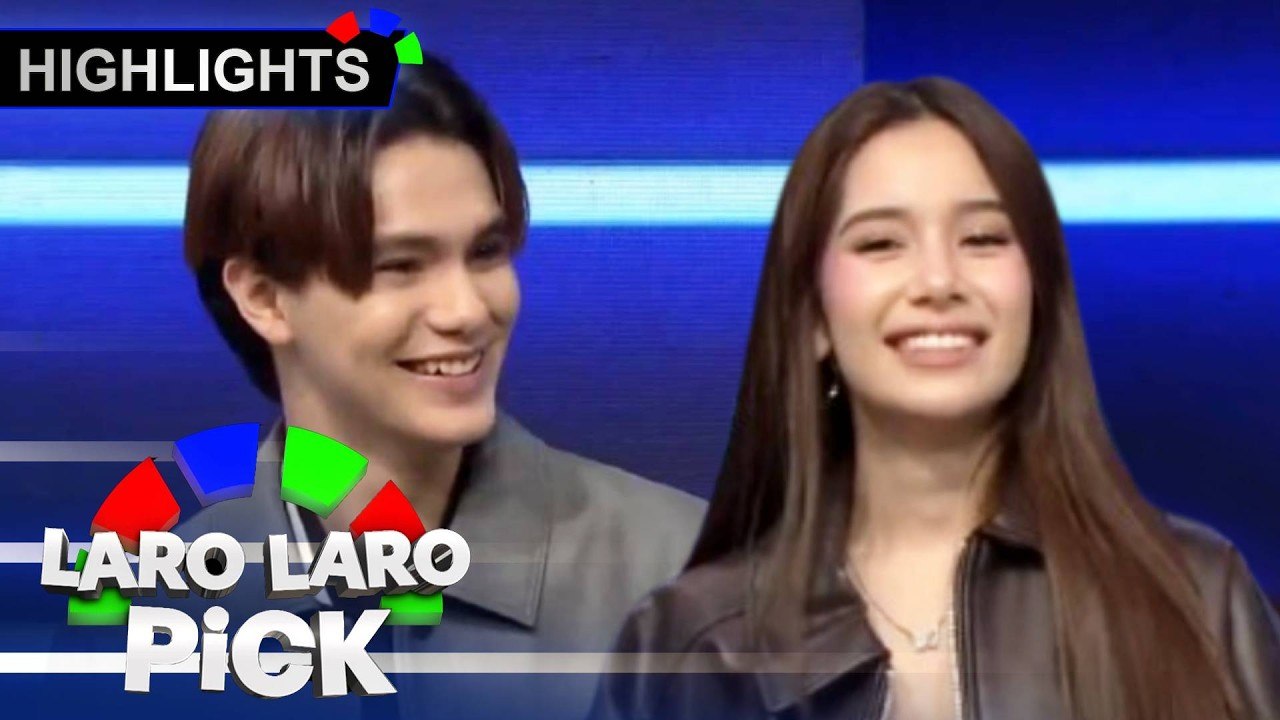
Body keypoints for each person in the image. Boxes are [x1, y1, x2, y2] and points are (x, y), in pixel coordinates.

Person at [590, 77, 1280, 720]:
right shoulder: (695, 647)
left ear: (1038, 295)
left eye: (982, 238)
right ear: (812, 317)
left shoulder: (1193, 595)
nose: (939, 280)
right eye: (881, 243)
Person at [164, 54, 705, 720]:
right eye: (400, 265)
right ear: (264, 297)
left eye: (486, 252)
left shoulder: (686, 578)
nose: (467, 310)